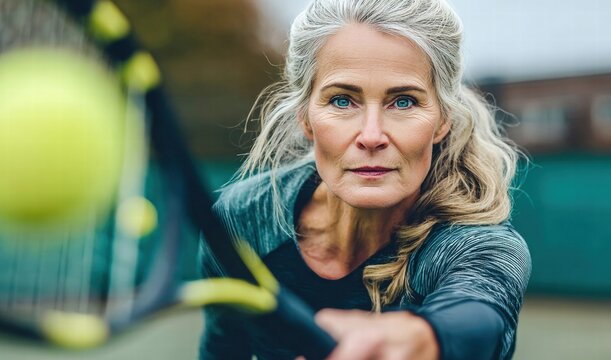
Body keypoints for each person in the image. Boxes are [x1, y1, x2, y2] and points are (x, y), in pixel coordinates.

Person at [199, 0, 531, 359]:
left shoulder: (482, 246)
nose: (371, 135)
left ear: (442, 120)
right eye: (342, 101)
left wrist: (420, 337)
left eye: (403, 102)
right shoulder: (241, 219)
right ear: (306, 118)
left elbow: (479, 314)